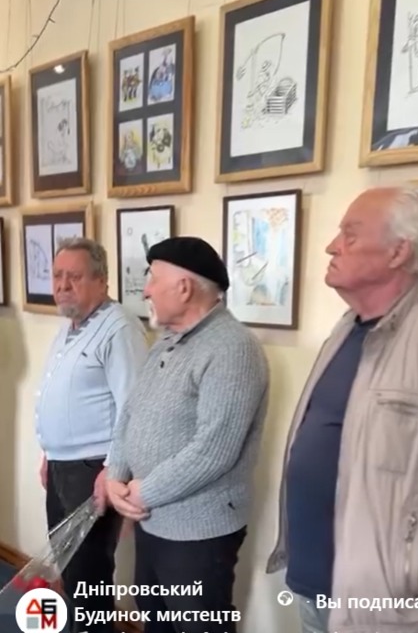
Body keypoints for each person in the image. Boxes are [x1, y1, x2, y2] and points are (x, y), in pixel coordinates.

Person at [267, 185, 418, 633]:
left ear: (398, 251)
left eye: (350, 235)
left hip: (386, 607)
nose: (332, 246)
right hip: (314, 583)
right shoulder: (346, 328)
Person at [105, 236, 270, 633]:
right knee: (155, 618)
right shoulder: (166, 341)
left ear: (183, 288)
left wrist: (143, 492)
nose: (145, 290)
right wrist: (114, 473)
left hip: (198, 532)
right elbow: (131, 412)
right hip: (152, 520)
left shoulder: (233, 348)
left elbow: (214, 450)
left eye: (153, 278)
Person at [35, 237, 149, 633]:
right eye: (57, 276)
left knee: (89, 576)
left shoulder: (119, 329)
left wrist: (113, 471)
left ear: (101, 281)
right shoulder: (70, 327)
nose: (63, 285)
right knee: (71, 569)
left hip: (94, 471)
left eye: (75, 277)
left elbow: (134, 408)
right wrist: (49, 452)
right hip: (63, 468)